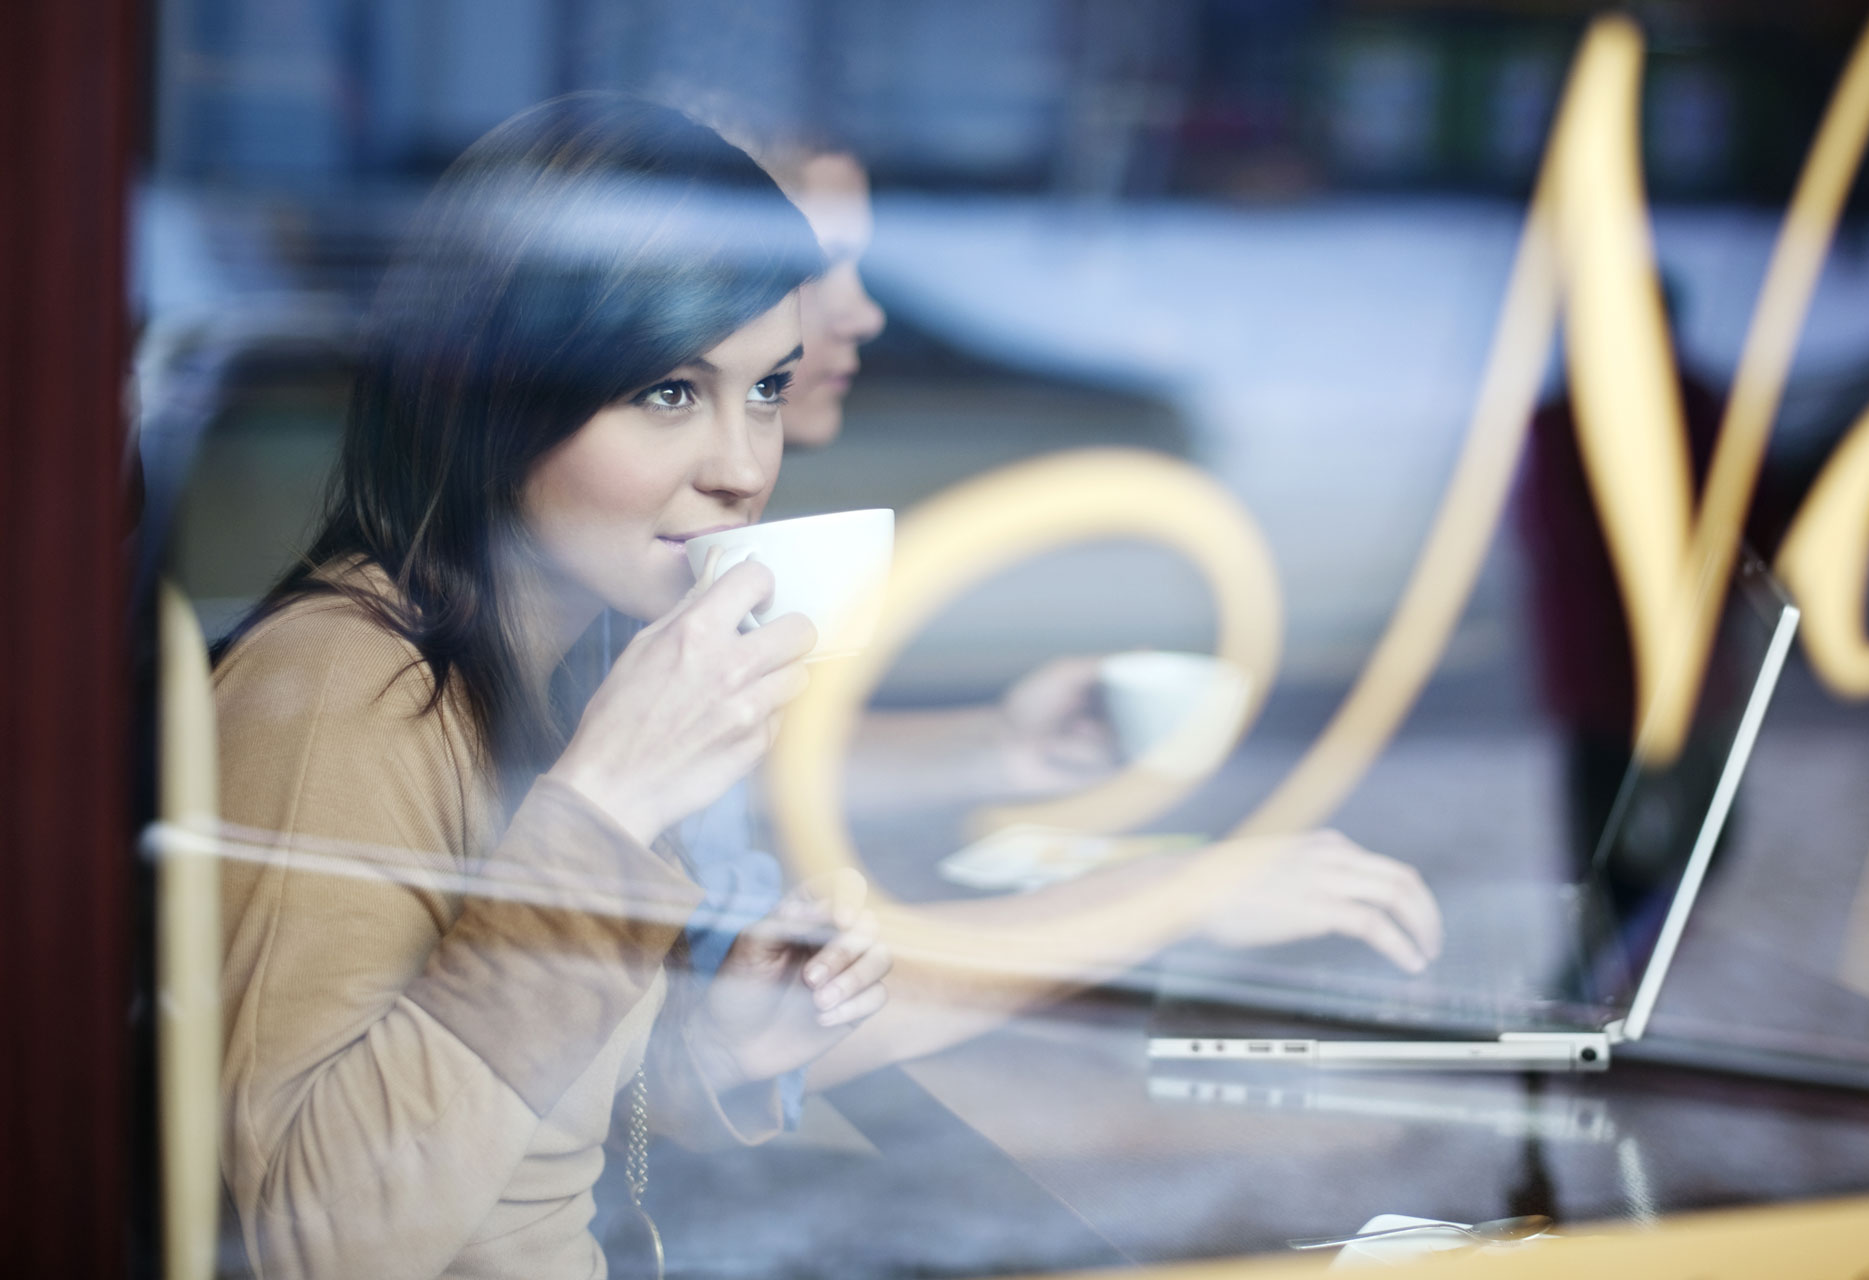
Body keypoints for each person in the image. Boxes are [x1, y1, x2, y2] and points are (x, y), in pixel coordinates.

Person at [211, 95, 892, 1279]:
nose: (743, 468)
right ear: (494, 395)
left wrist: (716, 1043)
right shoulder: (341, 688)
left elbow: (514, 1129)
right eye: (670, 392)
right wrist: (606, 810)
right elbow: (314, 1242)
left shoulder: (556, 658)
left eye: (767, 390)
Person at [644, 105, 1446, 1090]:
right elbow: (705, 1057)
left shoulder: (645, 580)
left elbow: (727, 786)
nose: (862, 312)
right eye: (819, 267)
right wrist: (1170, 896)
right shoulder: (626, 578)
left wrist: (995, 744)